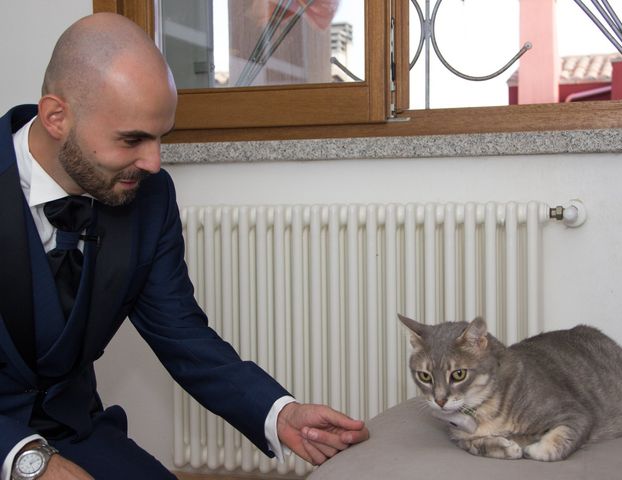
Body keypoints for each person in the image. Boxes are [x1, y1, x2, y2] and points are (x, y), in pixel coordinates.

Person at [0, 12, 369, 480]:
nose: (154, 163)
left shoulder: (149, 197)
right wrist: (26, 460)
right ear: (56, 117)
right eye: (132, 139)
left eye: (160, 138)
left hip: (72, 428)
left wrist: (279, 412)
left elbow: (182, 334)